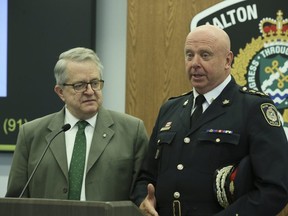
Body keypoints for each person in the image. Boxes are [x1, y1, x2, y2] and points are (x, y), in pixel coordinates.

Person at [132, 24, 288, 215]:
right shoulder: (170, 109)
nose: (195, 63)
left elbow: (274, 189)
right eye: (189, 55)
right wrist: (143, 201)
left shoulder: (253, 108)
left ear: (227, 60)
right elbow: (146, 178)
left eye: (205, 55)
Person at [6, 47, 149, 201]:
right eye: (79, 85)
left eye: (95, 83)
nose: (90, 91)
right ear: (60, 92)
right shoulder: (31, 134)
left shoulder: (132, 131)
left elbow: (142, 194)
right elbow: (16, 200)